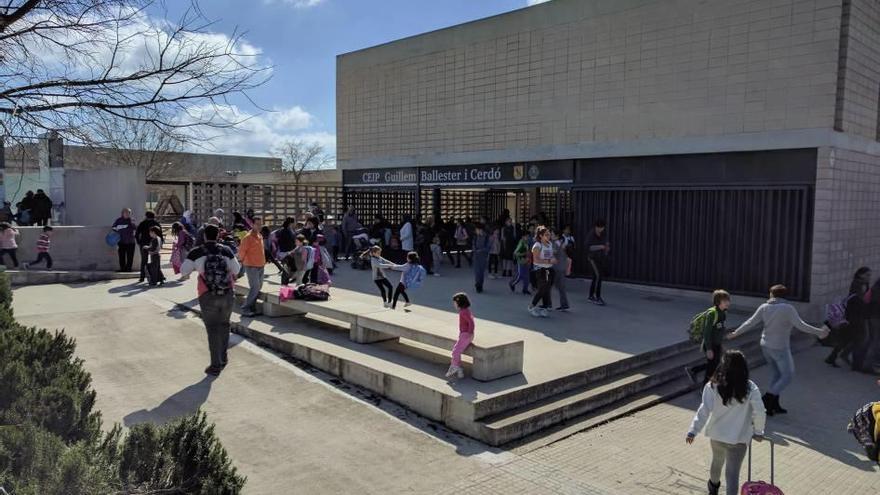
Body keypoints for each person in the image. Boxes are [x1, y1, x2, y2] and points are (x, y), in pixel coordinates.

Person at [727, 284, 830, 415]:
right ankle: (767, 399)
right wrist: (819, 332)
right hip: (780, 347)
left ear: (772, 294)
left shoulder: (764, 307)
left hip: (766, 345)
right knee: (787, 375)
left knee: (777, 375)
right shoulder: (788, 308)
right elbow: (801, 325)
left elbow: (750, 322)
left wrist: (736, 333)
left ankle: (773, 405)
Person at [686, 350, 766, 495]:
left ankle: (713, 487)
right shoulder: (750, 387)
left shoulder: (713, 385)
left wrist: (693, 430)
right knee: (732, 475)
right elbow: (760, 411)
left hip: (717, 435)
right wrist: (759, 432)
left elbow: (704, 409)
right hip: (739, 439)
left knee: (717, 462)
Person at [179, 225, 241, 376]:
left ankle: (215, 365)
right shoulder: (225, 250)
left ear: (205, 236)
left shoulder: (197, 252)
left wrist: (198, 268)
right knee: (224, 325)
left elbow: (183, 270)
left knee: (212, 329)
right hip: (227, 292)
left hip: (207, 294)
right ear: (218, 235)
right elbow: (237, 269)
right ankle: (223, 358)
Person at [826, 267, 872, 371]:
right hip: (854, 316)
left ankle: (835, 357)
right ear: (861, 275)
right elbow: (858, 300)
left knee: (849, 338)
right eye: (867, 275)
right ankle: (848, 360)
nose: (869, 277)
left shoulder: (863, 285)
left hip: (856, 316)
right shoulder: (857, 285)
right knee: (857, 338)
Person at [686, 290, 731, 385]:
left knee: (715, 364)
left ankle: (694, 370)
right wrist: (709, 349)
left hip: (717, 344)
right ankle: (705, 388)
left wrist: (721, 344)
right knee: (712, 366)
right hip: (710, 344)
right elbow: (707, 333)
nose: (728, 303)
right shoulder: (712, 313)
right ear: (718, 301)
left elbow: (719, 330)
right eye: (725, 301)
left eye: (728, 300)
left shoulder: (723, 313)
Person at [238, 217, 265, 317]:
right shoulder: (247, 238)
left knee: (258, 287)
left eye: (260, 224)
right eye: (257, 224)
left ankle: (252, 308)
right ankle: (245, 308)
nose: (259, 226)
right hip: (251, 266)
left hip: (261, 265)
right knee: (255, 287)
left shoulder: (260, 235)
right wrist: (240, 263)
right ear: (252, 225)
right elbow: (241, 252)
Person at [446, 292, 474, 380]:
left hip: (466, 335)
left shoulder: (463, 312)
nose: (454, 304)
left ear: (459, 302)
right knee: (456, 350)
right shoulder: (465, 311)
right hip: (465, 334)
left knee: (455, 352)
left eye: (455, 302)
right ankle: (458, 369)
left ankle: (455, 367)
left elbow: (471, 322)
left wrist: (469, 333)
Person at [528, 226, 555, 317]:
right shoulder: (537, 245)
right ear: (540, 236)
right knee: (543, 289)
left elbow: (551, 255)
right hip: (540, 270)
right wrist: (548, 261)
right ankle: (532, 306)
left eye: (549, 234)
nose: (549, 236)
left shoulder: (550, 244)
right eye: (546, 235)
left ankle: (544, 308)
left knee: (547, 289)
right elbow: (536, 260)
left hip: (549, 269)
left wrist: (553, 259)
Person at [586, 219, 610, 305]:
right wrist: (600, 247)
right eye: (599, 228)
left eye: (602, 228)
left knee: (597, 277)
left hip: (600, 258)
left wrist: (606, 249)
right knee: (598, 276)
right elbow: (589, 247)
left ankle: (591, 296)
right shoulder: (591, 234)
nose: (600, 229)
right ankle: (597, 297)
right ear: (596, 227)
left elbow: (606, 243)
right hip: (592, 258)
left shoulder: (604, 233)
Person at [135, 211, 161, 283]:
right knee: (155, 262)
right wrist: (160, 244)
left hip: (144, 244)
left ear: (146, 216)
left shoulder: (142, 223)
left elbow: (137, 234)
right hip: (155, 244)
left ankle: (142, 277)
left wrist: (139, 242)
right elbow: (160, 235)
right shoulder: (156, 223)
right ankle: (157, 277)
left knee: (144, 261)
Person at [551, 230, 572, 311]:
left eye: (552, 234)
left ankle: (547, 304)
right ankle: (564, 304)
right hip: (562, 267)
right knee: (561, 287)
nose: (551, 235)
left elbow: (554, 252)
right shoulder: (560, 243)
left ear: (556, 236)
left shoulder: (555, 243)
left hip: (557, 267)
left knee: (549, 285)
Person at [509, 231, 532, 295]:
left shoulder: (526, 242)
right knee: (520, 275)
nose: (528, 237)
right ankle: (512, 283)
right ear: (523, 236)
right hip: (521, 261)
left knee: (527, 276)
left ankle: (525, 289)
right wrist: (524, 254)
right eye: (527, 236)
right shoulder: (521, 243)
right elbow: (516, 253)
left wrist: (529, 257)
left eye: (528, 236)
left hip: (526, 261)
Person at [472, 223, 491, 293]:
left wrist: (481, 250)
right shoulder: (475, 236)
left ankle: (480, 284)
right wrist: (474, 249)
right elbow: (473, 244)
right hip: (476, 256)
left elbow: (488, 247)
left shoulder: (487, 237)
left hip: (483, 256)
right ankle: (478, 284)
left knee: (481, 272)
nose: (476, 231)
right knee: (477, 272)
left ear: (480, 230)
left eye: (477, 229)